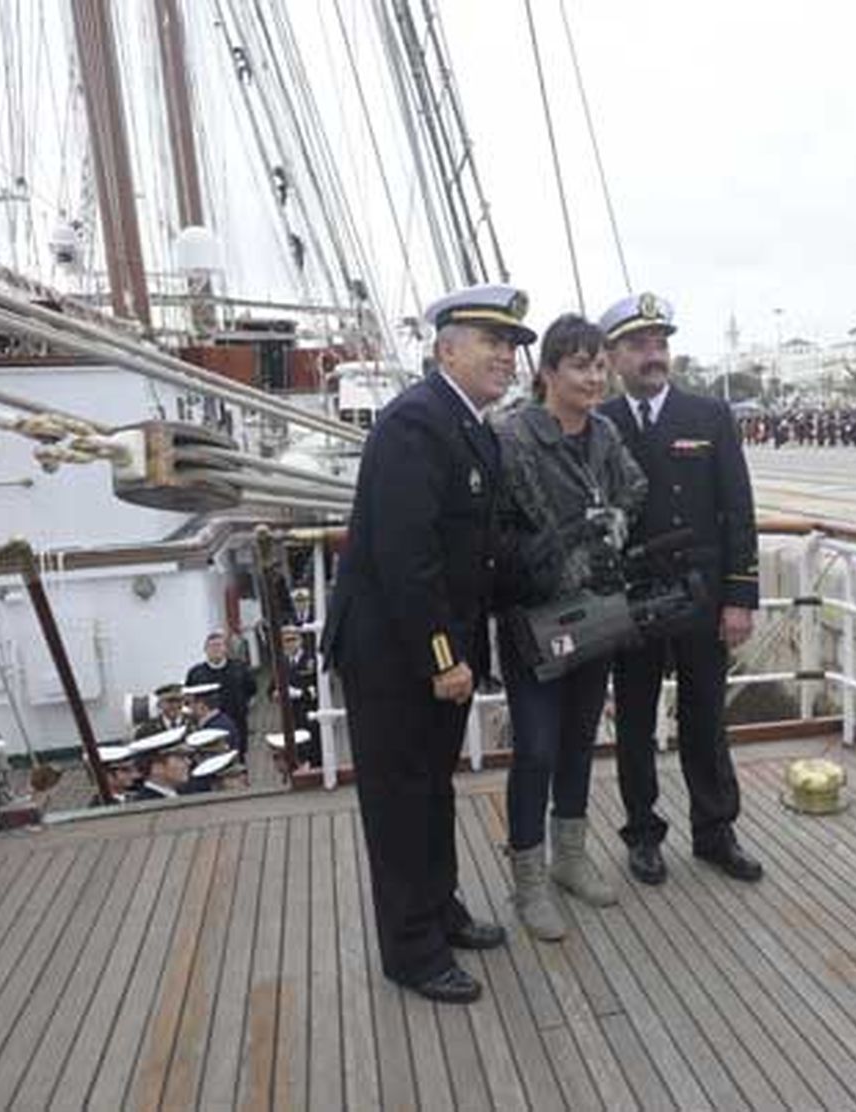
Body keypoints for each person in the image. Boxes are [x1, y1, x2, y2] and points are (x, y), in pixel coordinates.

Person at [321, 283, 528, 1004]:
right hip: (393, 655)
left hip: (432, 649)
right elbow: (408, 560)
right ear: (446, 348)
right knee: (401, 800)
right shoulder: (417, 424)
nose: (506, 355)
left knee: (431, 790)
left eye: (511, 345)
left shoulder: (468, 424)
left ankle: (440, 911)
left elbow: (476, 549)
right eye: (490, 342)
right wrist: (444, 657)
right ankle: (411, 950)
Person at [597, 292, 764, 885]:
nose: (653, 355)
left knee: (704, 719)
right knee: (636, 722)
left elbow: (738, 511)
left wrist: (741, 597)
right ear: (613, 356)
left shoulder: (708, 417)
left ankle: (716, 831)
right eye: (638, 345)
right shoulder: (601, 424)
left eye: (660, 343)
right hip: (632, 600)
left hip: (701, 596)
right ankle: (642, 834)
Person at [494, 314, 646, 940]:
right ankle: (528, 882)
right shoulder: (514, 440)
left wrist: (612, 521)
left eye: (599, 365)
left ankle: (571, 858)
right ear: (548, 373)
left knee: (580, 739)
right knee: (534, 749)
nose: (594, 376)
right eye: (580, 366)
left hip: (596, 612)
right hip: (534, 616)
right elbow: (504, 527)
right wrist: (568, 541)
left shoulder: (606, 435)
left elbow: (633, 490)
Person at [186, 630, 256, 756]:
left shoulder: (239, 668)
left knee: (238, 757)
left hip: (237, 723)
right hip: (207, 726)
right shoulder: (196, 673)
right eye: (212, 646)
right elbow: (189, 697)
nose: (216, 649)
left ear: (225, 648)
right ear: (205, 650)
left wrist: (244, 708)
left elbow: (251, 690)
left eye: (219, 645)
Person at [272, 625, 320, 767]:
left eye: (293, 639)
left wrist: (300, 693)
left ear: (300, 640)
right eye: (286, 640)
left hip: (309, 712)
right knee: (294, 750)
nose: (289, 643)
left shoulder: (311, 660)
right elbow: (271, 687)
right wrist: (275, 694)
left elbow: (322, 687)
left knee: (313, 748)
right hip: (290, 715)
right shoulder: (280, 662)